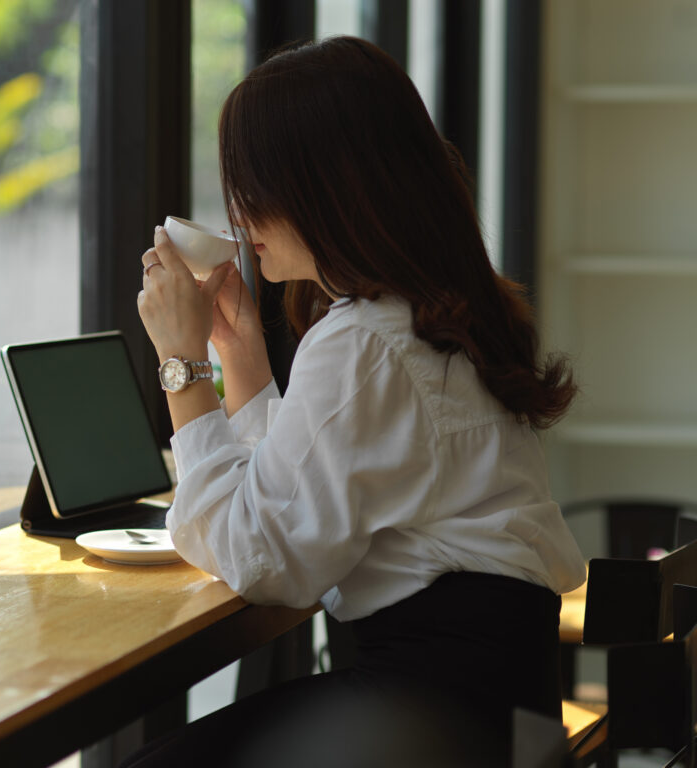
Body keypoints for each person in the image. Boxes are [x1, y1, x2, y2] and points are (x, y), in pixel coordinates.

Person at [132, 36, 586, 767]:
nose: (238, 219)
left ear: (321, 185)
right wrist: (242, 358)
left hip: (435, 726)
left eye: (252, 185)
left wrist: (182, 366)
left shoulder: (367, 341)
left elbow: (263, 557)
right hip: (508, 711)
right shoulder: (429, 316)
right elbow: (309, 493)